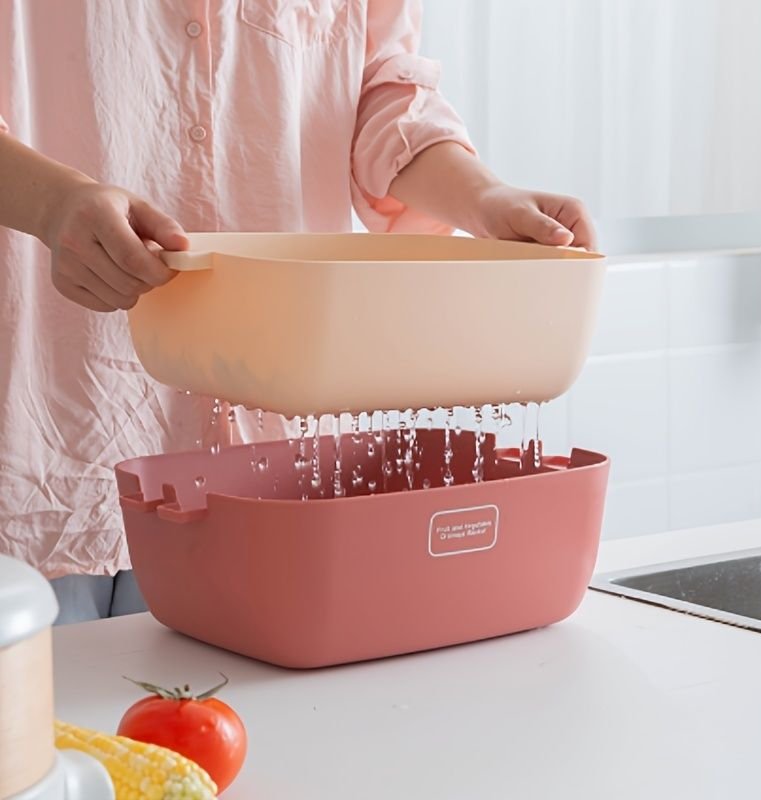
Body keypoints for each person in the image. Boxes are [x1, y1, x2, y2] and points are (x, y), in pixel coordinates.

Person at [0, 1, 597, 624]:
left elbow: (380, 94)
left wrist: (484, 198)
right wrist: (51, 205)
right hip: (49, 434)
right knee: (38, 684)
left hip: (266, 458)